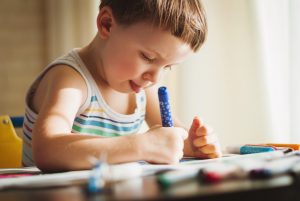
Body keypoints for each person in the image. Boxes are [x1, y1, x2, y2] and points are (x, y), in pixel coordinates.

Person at [22, 0, 221, 172]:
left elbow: (171, 139)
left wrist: (194, 145)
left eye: (167, 67)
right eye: (147, 57)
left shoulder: (143, 88)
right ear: (106, 24)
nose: (154, 77)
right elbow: (46, 150)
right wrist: (142, 145)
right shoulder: (71, 80)